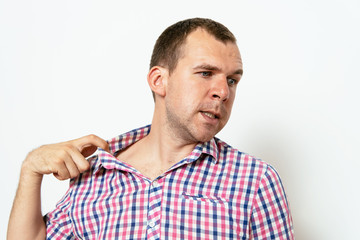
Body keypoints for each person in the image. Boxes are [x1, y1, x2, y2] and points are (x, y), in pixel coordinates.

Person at [7, 18, 294, 239]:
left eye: (232, 80)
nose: (223, 91)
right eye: (205, 73)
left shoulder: (255, 181)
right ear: (159, 81)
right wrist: (31, 169)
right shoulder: (95, 173)